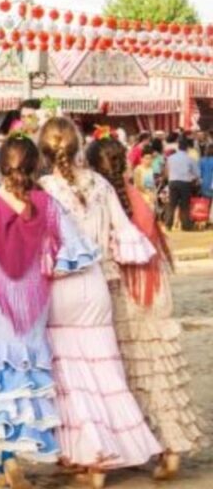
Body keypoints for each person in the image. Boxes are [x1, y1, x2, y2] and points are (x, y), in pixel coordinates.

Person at [0, 134, 97, 489]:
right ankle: (8, 459)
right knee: (24, 378)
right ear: (34, 165)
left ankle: (6, 458)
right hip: (33, 300)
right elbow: (72, 253)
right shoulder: (47, 205)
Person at [38, 118, 162, 487]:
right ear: (78, 147)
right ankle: (106, 457)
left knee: (69, 374)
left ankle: (84, 454)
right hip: (94, 285)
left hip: (59, 287)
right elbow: (125, 235)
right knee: (105, 371)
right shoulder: (102, 185)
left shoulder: (43, 190)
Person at [87, 136, 206, 481]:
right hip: (153, 297)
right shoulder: (138, 200)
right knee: (162, 376)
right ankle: (170, 448)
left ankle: (147, 445)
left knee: (135, 377)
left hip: (126, 301)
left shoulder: (105, 203)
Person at [164, 136, 200, 231]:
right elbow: (197, 174)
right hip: (185, 183)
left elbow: (167, 170)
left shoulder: (170, 158)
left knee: (172, 204)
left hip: (173, 182)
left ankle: (168, 224)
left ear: (178, 147)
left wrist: (169, 179)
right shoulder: (190, 159)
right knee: (185, 205)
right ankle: (186, 225)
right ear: (187, 148)